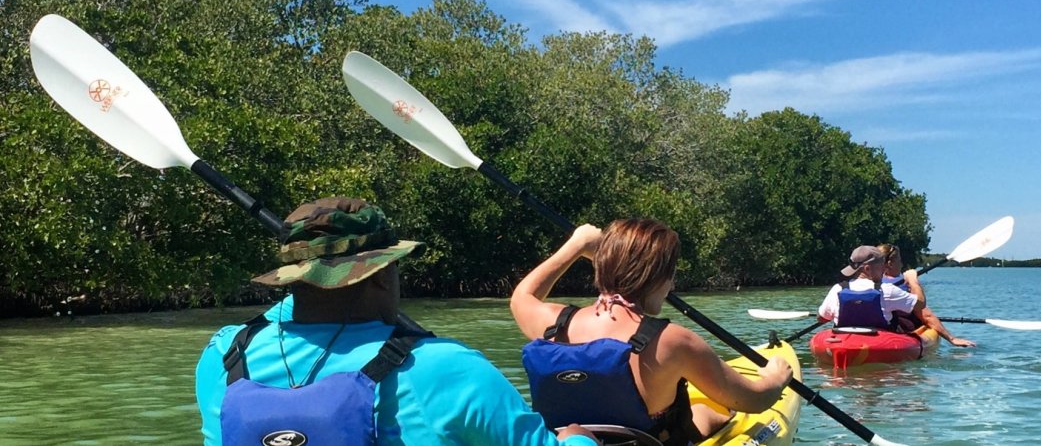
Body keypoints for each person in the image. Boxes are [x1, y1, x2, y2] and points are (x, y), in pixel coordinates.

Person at [195, 196, 597, 446]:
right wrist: (579, 439)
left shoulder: (225, 356)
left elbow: (282, 315)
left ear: (293, 279)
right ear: (384, 275)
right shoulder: (446, 368)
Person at [510, 219, 794, 446]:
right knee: (720, 412)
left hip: (564, 439)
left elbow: (522, 295)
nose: (671, 286)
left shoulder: (552, 325)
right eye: (670, 276)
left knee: (704, 414)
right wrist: (776, 378)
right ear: (658, 278)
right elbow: (753, 400)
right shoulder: (672, 341)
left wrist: (577, 244)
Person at [816, 245, 975, 348]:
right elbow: (920, 305)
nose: (883, 269)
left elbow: (822, 318)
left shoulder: (838, 288)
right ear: (867, 268)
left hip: (844, 341)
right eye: (880, 265)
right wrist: (913, 281)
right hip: (878, 342)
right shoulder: (887, 290)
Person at [877, 243, 975, 347]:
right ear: (890, 264)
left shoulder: (870, 283)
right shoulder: (900, 288)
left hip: (877, 328)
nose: (902, 265)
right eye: (900, 261)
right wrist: (952, 339)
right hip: (900, 330)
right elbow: (925, 314)